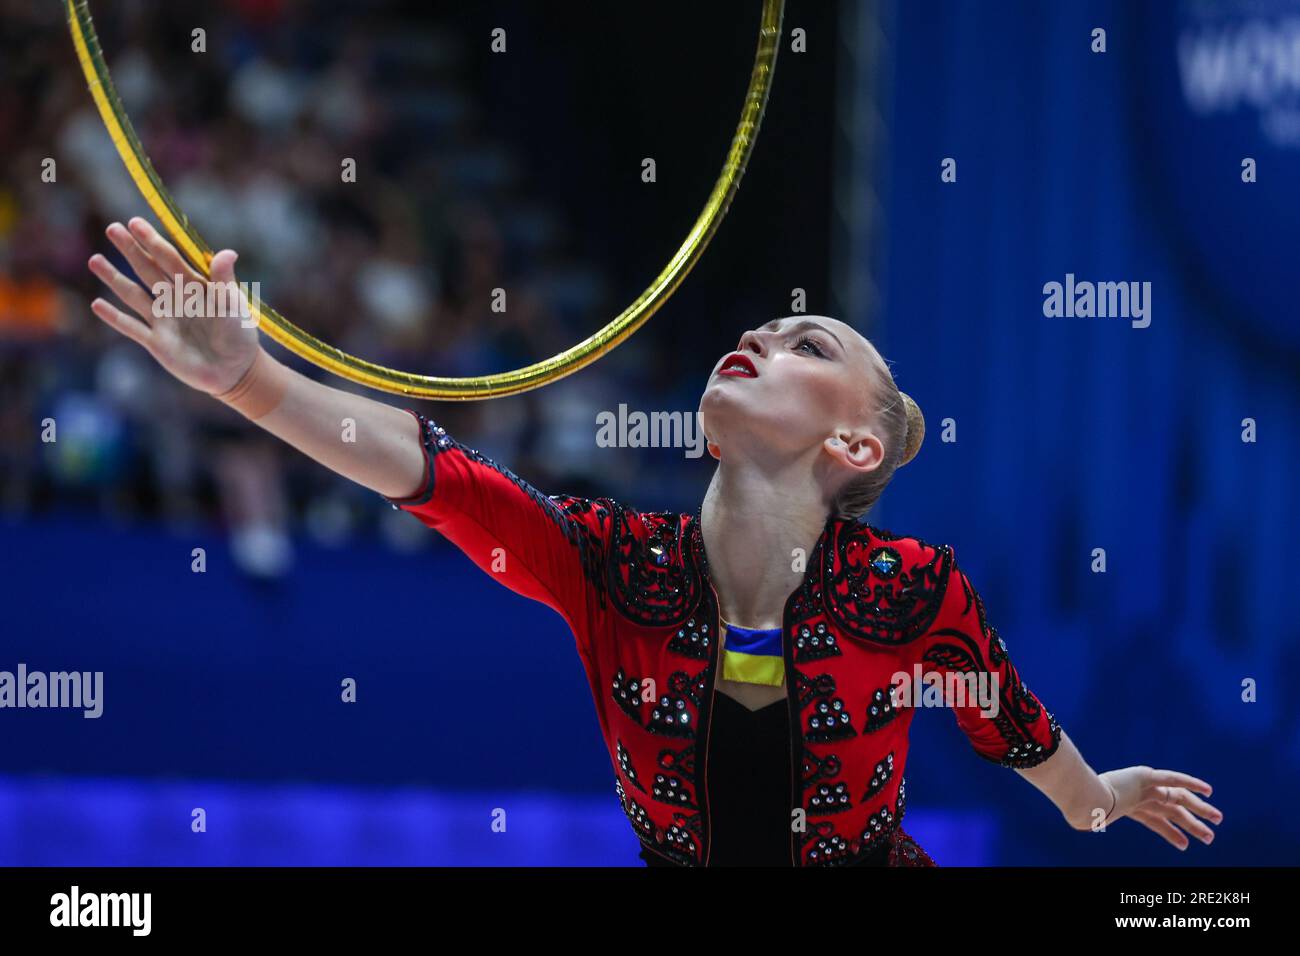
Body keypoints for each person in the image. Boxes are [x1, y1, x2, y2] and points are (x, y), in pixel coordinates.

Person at [86, 217, 1223, 866]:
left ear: (857, 448)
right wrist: (251, 379)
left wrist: (1099, 796)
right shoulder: (609, 562)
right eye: (760, 326)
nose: (758, 335)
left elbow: (1011, 726)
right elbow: (429, 468)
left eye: (803, 342)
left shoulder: (912, 590)